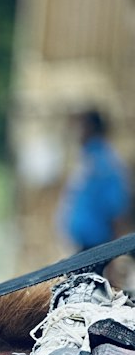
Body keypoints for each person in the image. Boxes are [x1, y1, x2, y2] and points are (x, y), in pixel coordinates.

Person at [58, 109, 131, 256]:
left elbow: (116, 208)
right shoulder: (87, 158)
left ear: (91, 128)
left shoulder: (104, 162)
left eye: (80, 127)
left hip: (98, 246)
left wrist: (115, 251)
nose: (76, 133)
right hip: (84, 246)